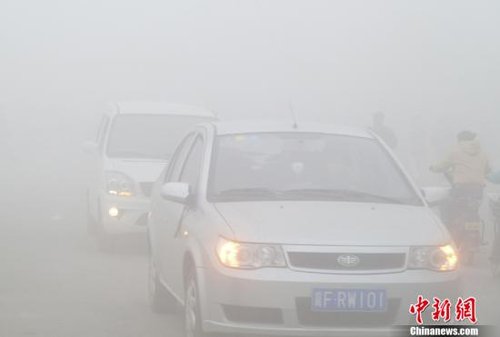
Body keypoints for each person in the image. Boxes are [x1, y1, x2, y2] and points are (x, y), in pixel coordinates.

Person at [430, 131, 491, 262]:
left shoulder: (455, 152)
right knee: (473, 212)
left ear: (459, 140)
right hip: (477, 190)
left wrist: (432, 168)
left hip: (461, 189)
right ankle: (475, 238)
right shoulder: (483, 153)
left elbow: (442, 166)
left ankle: (454, 239)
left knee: (453, 211)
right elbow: (488, 170)